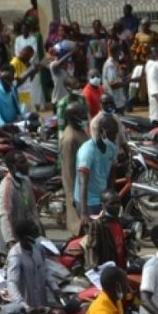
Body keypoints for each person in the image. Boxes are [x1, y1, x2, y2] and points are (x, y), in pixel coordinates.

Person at [5, 218, 60, 310]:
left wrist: (55, 289)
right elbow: (12, 283)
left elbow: (45, 271)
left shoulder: (38, 249)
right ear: (24, 238)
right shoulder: (15, 256)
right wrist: (22, 305)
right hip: (27, 306)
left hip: (42, 303)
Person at [0, 151, 41, 259]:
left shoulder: (26, 181)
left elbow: (32, 208)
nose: (27, 164)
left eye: (25, 161)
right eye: (22, 162)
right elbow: (5, 215)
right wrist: (10, 243)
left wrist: (37, 230)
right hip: (11, 246)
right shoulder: (6, 187)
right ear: (12, 166)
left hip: (26, 240)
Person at [75, 116, 118, 226]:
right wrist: (84, 213)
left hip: (103, 200)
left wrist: (111, 196)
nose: (114, 137)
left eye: (115, 133)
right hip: (88, 202)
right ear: (101, 131)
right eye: (111, 133)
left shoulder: (112, 148)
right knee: (93, 236)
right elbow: (82, 183)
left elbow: (112, 174)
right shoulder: (87, 151)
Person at [60, 101, 89, 237]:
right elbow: (68, 170)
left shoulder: (79, 130)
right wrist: (73, 194)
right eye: (82, 115)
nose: (85, 117)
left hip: (86, 181)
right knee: (80, 225)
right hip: (77, 186)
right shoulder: (70, 139)